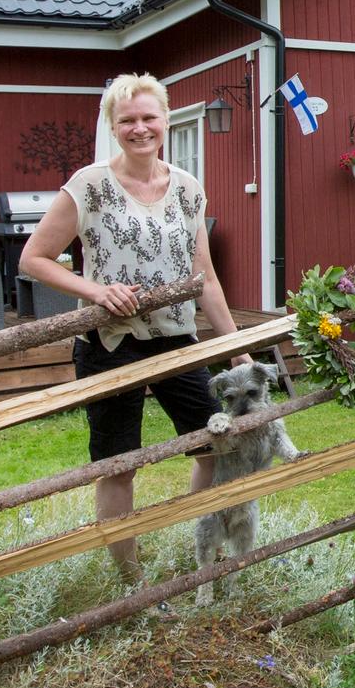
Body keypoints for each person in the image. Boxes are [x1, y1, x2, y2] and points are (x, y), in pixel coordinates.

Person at [19, 73, 250, 580]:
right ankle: (132, 582)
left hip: (176, 338)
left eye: (149, 118)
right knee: (117, 463)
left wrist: (236, 349)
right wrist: (96, 291)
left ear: (166, 121)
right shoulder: (90, 186)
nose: (139, 128)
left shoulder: (189, 190)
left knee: (214, 446)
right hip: (109, 342)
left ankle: (198, 555)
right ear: (112, 126)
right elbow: (34, 258)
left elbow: (204, 277)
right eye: (128, 120)